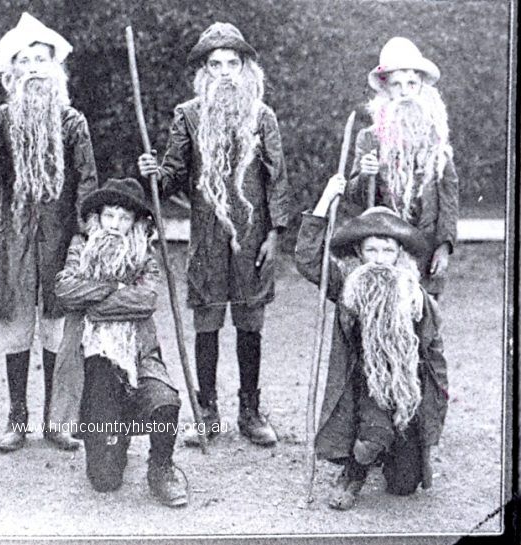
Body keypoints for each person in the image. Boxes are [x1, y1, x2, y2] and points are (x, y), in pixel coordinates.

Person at [137, 22, 291, 447]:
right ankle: (207, 412)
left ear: (245, 68)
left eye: (232, 63)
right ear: (204, 70)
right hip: (206, 235)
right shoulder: (187, 115)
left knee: (249, 320)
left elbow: (277, 179)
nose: (224, 72)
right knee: (207, 319)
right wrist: (153, 173)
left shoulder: (262, 116)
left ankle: (250, 411)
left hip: (252, 234)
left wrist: (275, 233)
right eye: (215, 64)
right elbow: (172, 175)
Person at [0, 12, 98, 452]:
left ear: (55, 67)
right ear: (12, 73)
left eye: (41, 60)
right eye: (24, 61)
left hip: (60, 238)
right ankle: (17, 418)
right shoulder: (1, 120)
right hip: (15, 239)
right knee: (16, 326)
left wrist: (84, 236)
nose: (34, 69)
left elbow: (88, 183)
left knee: (57, 328)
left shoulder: (72, 121)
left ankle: (55, 420)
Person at [295, 174, 448, 511]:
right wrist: (325, 200)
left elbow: (434, 354)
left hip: (406, 389)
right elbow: (307, 260)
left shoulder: (415, 296)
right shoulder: (349, 285)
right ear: (359, 252)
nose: (379, 259)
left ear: (400, 253)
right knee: (371, 437)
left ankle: (387, 450)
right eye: (372, 250)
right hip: (363, 383)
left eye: (388, 250)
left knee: (404, 486)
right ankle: (353, 473)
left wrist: (437, 396)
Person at [52, 177, 187, 507]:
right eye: (109, 215)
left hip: (138, 354)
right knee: (105, 480)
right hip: (93, 355)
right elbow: (65, 291)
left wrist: (94, 303)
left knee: (165, 401)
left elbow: (146, 300)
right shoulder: (80, 246)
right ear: (98, 217)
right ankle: (116, 437)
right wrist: (116, 288)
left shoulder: (144, 254)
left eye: (124, 218)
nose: (115, 225)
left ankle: (161, 468)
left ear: (135, 223)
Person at [345, 37, 458, 298]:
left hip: (426, 249)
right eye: (397, 84)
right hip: (385, 249)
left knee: (425, 314)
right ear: (386, 89)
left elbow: (449, 196)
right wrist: (365, 174)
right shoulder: (370, 138)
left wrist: (444, 246)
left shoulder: (436, 137)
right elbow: (353, 197)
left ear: (421, 87)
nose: (405, 92)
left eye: (411, 84)